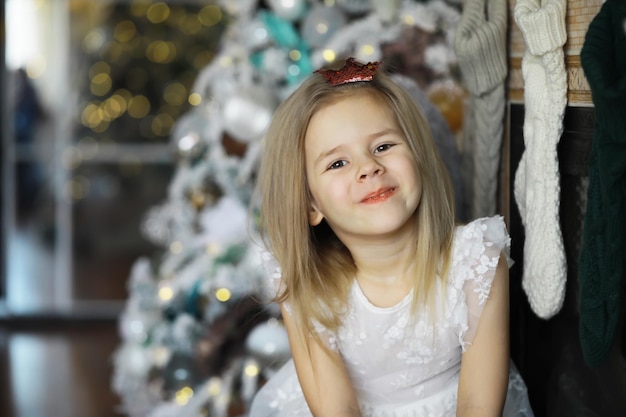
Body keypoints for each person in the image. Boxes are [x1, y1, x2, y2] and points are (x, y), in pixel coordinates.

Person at [250, 58, 533, 417]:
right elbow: (337, 409)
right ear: (310, 204)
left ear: (418, 157)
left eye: (383, 146)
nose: (369, 167)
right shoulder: (306, 281)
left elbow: (478, 406)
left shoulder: (475, 262)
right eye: (337, 163)